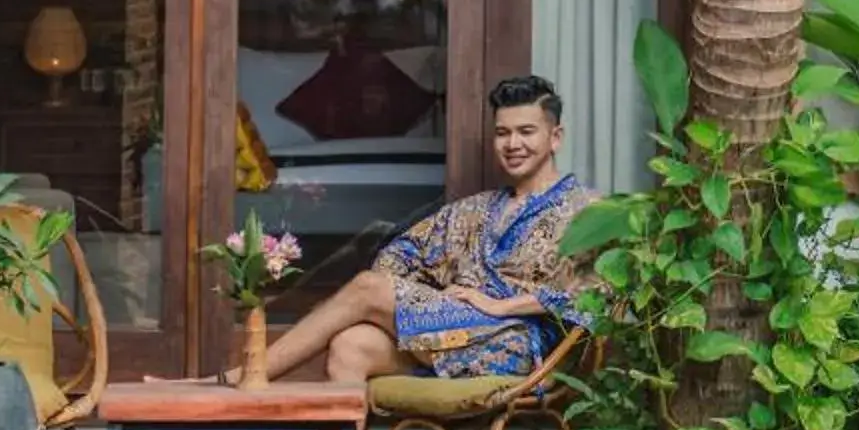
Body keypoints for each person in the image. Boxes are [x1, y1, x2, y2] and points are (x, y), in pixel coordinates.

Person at [230, 74, 595, 387]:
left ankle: (247, 376)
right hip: (457, 336)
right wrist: (429, 300)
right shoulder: (475, 210)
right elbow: (401, 253)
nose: (513, 144)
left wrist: (501, 305)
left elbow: (598, 297)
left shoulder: (588, 210)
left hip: (520, 347)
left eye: (526, 132)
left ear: (555, 137)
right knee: (351, 345)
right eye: (502, 133)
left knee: (368, 288)